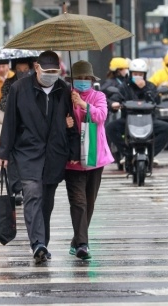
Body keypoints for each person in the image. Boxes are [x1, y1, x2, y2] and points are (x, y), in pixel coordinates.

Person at [0, 50, 80, 264]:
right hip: (27, 152)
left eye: (55, 71)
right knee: (32, 194)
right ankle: (38, 244)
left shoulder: (63, 89)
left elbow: (70, 122)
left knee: (47, 203)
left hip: (54, 153)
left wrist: (73, 151)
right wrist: (3, 152)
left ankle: (43, 243)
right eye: (47, 71)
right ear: (36, 68)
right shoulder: (19, 89)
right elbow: (10, 123)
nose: (52, 75)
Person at [64, 60, 114, 260]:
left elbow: (101, 116)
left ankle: (77, 239)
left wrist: (83, 105)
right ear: (73, 80)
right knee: (78, 202)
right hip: (73, 161)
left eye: (87, 78)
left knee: (89, 202)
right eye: (80, 79)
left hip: (95, 157)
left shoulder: (98, 96)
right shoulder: (65, 97)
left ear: (92, 80)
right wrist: (65, 121)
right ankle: (83, 245)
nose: (83, 82)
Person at [105, 58, 168, 167]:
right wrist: (113, 104)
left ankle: (151, 154)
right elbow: (115, 98)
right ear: (130, 73)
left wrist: (145, 90)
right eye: (135, 73)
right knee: (110, 128)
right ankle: (126, 153)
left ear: (144, 74)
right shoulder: (124, 86)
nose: (137, 76)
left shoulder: (150, 86)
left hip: (149, 120)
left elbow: (156, 100)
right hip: (128, 120)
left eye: (140, 74)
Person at [0, 58, 35, 205]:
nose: (22, 73)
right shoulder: (9, 83)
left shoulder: (35, 82)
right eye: (19, 70)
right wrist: (15, 102)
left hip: (31, 128)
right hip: (13, 126)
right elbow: (3, 103)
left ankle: (27, 188)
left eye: (25, 70)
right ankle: (16, 189)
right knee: (12, 159)